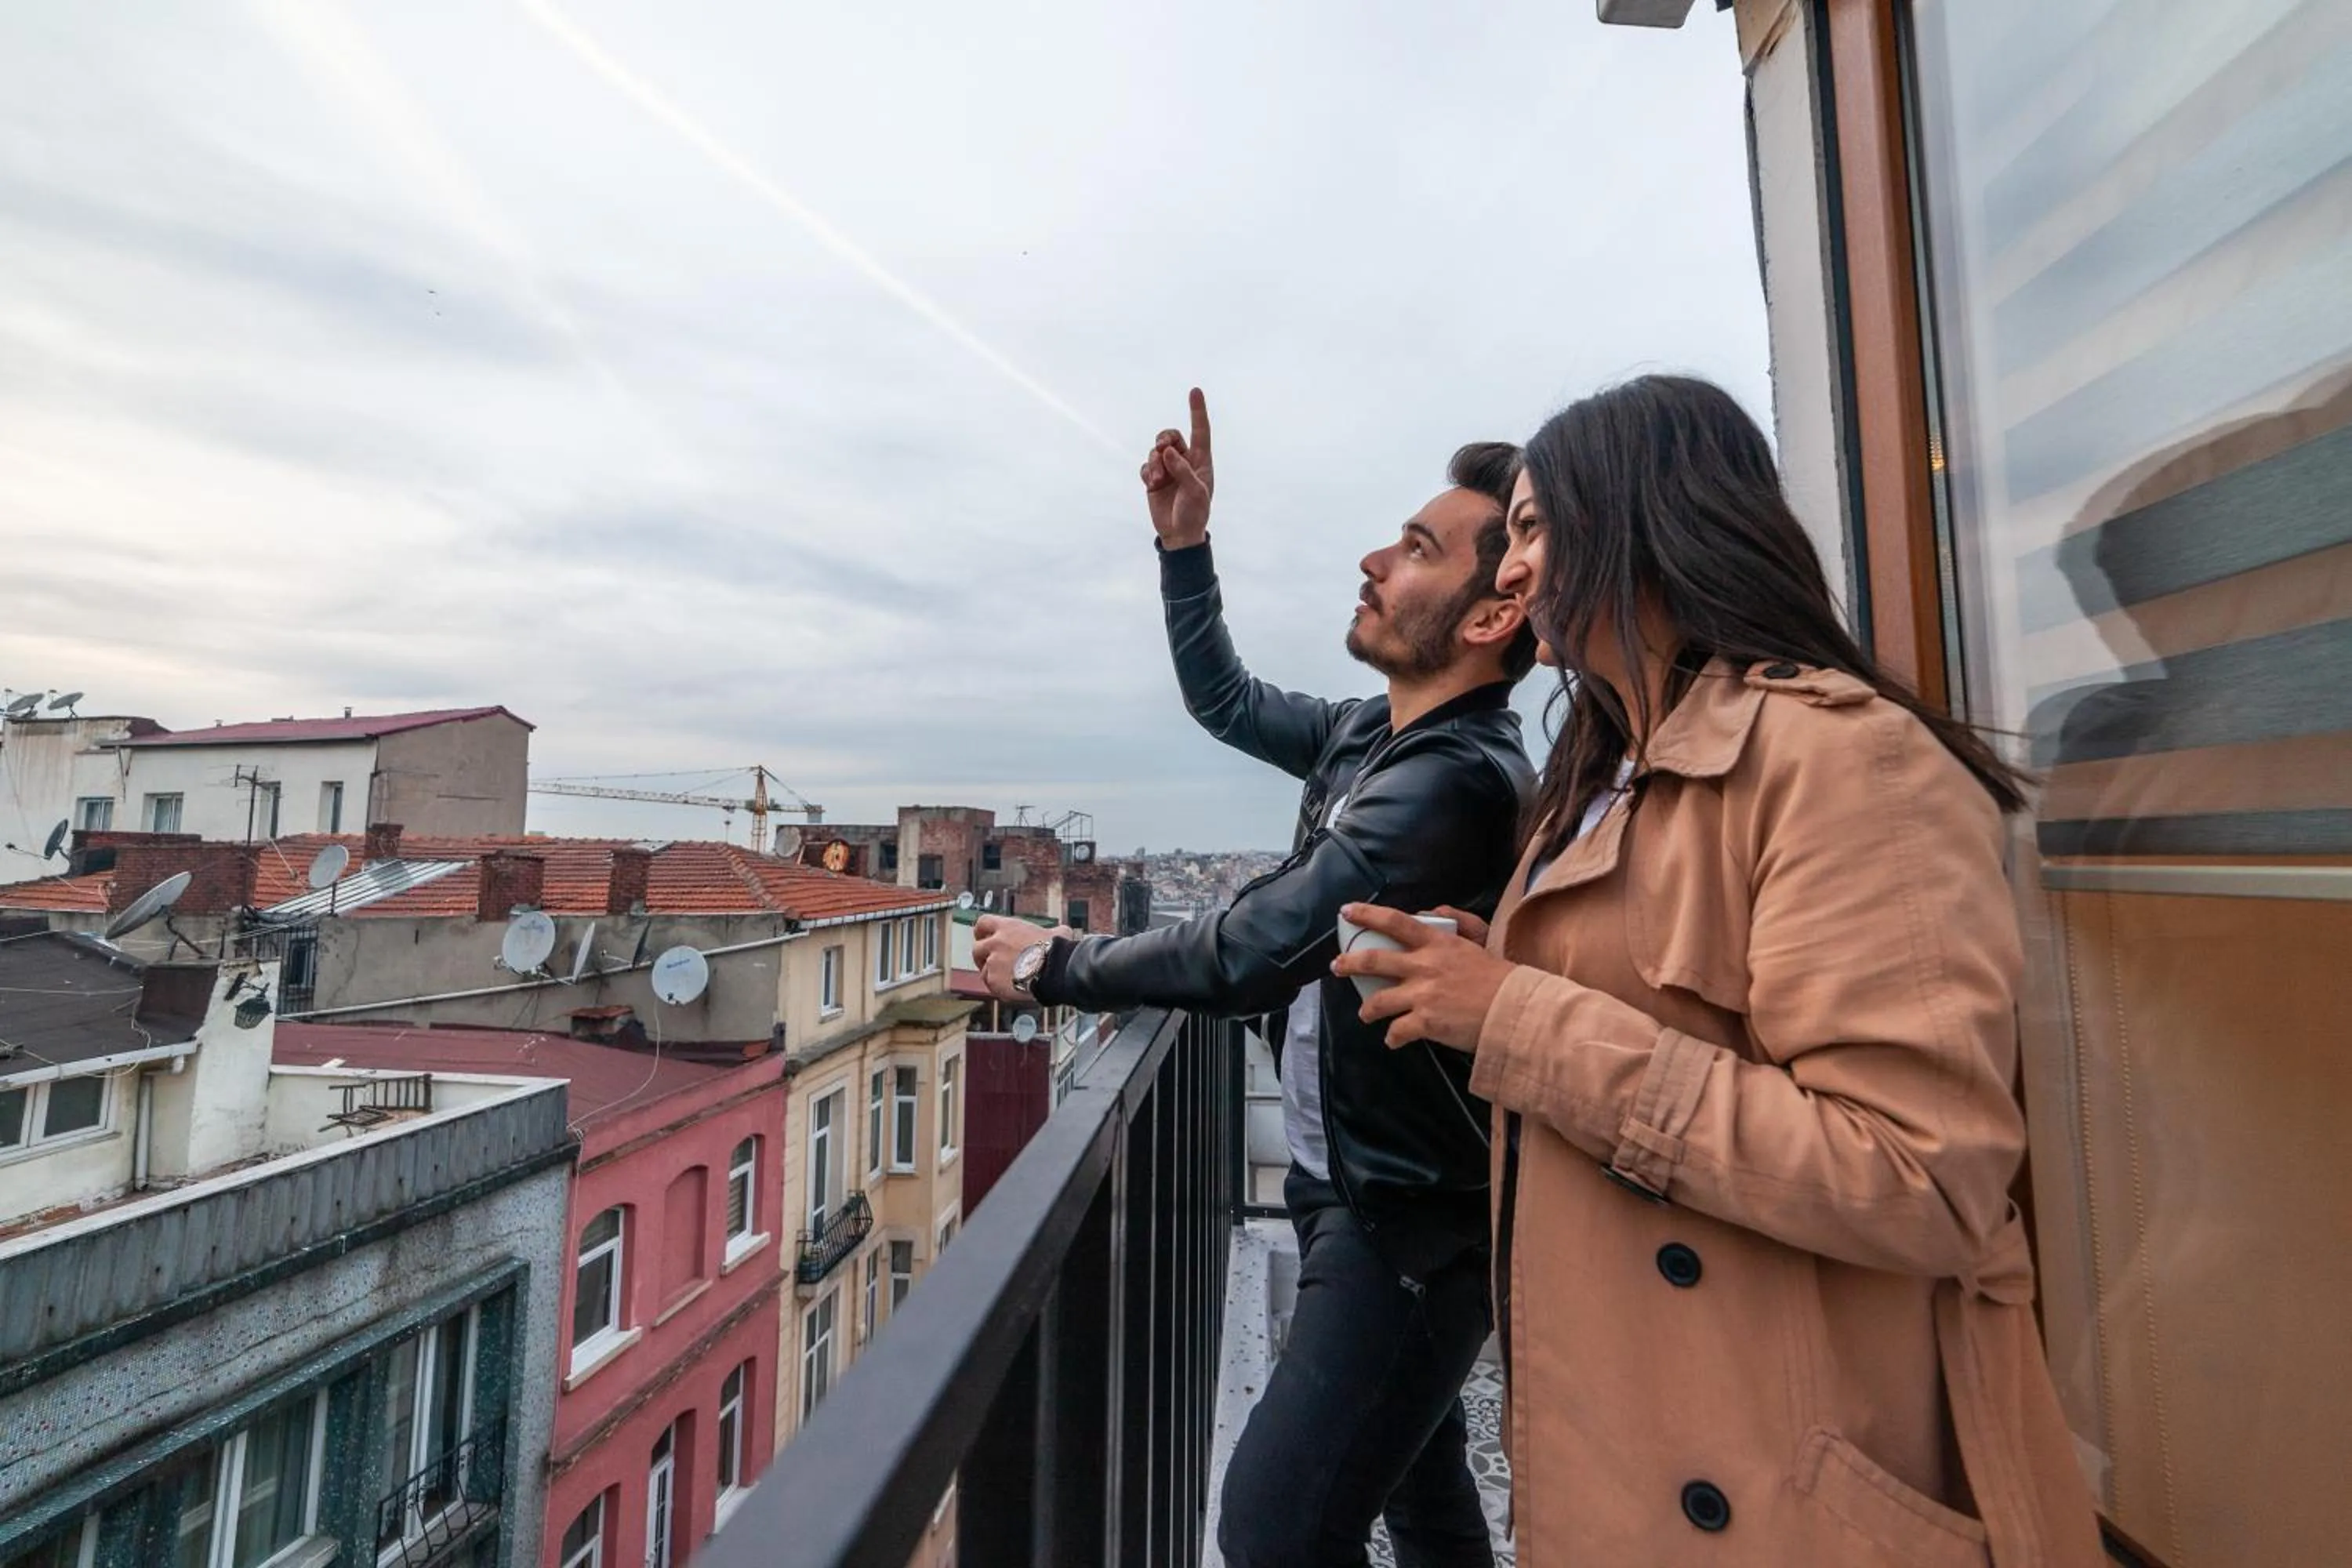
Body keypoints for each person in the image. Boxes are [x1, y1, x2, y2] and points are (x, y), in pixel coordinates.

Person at [1334, 375, 2104, 1566]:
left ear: (1643, 521)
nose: (1511, 571)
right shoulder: (1611, 775)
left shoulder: (1849, 763)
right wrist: (1503, 978)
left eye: (1534, 529)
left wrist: (1518, 1017)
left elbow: (1921, 1175)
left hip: (1784, 1488)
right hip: (1645, 1447)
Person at [973, 390, 1537, 1567]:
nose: (1375, 560)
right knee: (1423, 1500)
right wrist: (1187, 544)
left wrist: (1059, 963)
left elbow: (1249, 948)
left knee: (1275, 1525)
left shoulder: (1454, 781)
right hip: (1361, 1193)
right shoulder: (1369, 736)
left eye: (1419, 550)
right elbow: (1224, 700)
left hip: (1409, 1227)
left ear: (1494, 614)